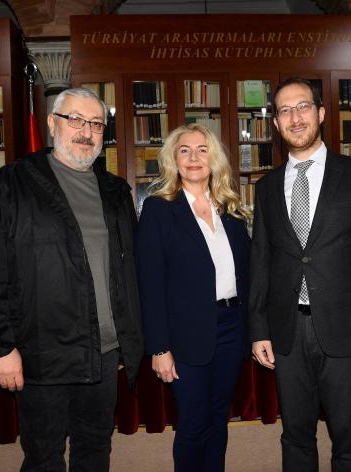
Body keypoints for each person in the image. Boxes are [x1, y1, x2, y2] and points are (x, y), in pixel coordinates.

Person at [0, 87, 144, 472]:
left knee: (95, 449)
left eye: (95, 124)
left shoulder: (116, 192)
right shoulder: (10, 186)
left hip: (104, 353)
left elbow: (128, 272)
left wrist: (127, 340)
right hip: (41, 355)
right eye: (75, 119)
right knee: (43, 457)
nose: (85, 131)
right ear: (52, 124)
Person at [249, 76, 351, 472]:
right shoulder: (266, 188)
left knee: (349, 440)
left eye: (303, 107)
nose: (295, 118)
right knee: (296, 438)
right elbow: (260, 262)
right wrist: (259, 329)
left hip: (348, 332)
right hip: (287, 334)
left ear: (321, 113)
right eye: (285, 111)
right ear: (275, 123)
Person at [135, 123, 250, 472]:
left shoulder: (230, 209)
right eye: (184, 150)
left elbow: (248, 274)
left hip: (232, 328)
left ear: (214, 158)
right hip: (184, 335)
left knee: (218, 418)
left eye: (202, 149)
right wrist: (159, 348)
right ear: (174, 160)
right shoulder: (158, 209)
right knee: (193, 422)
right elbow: (150, 285)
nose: (194, 157)